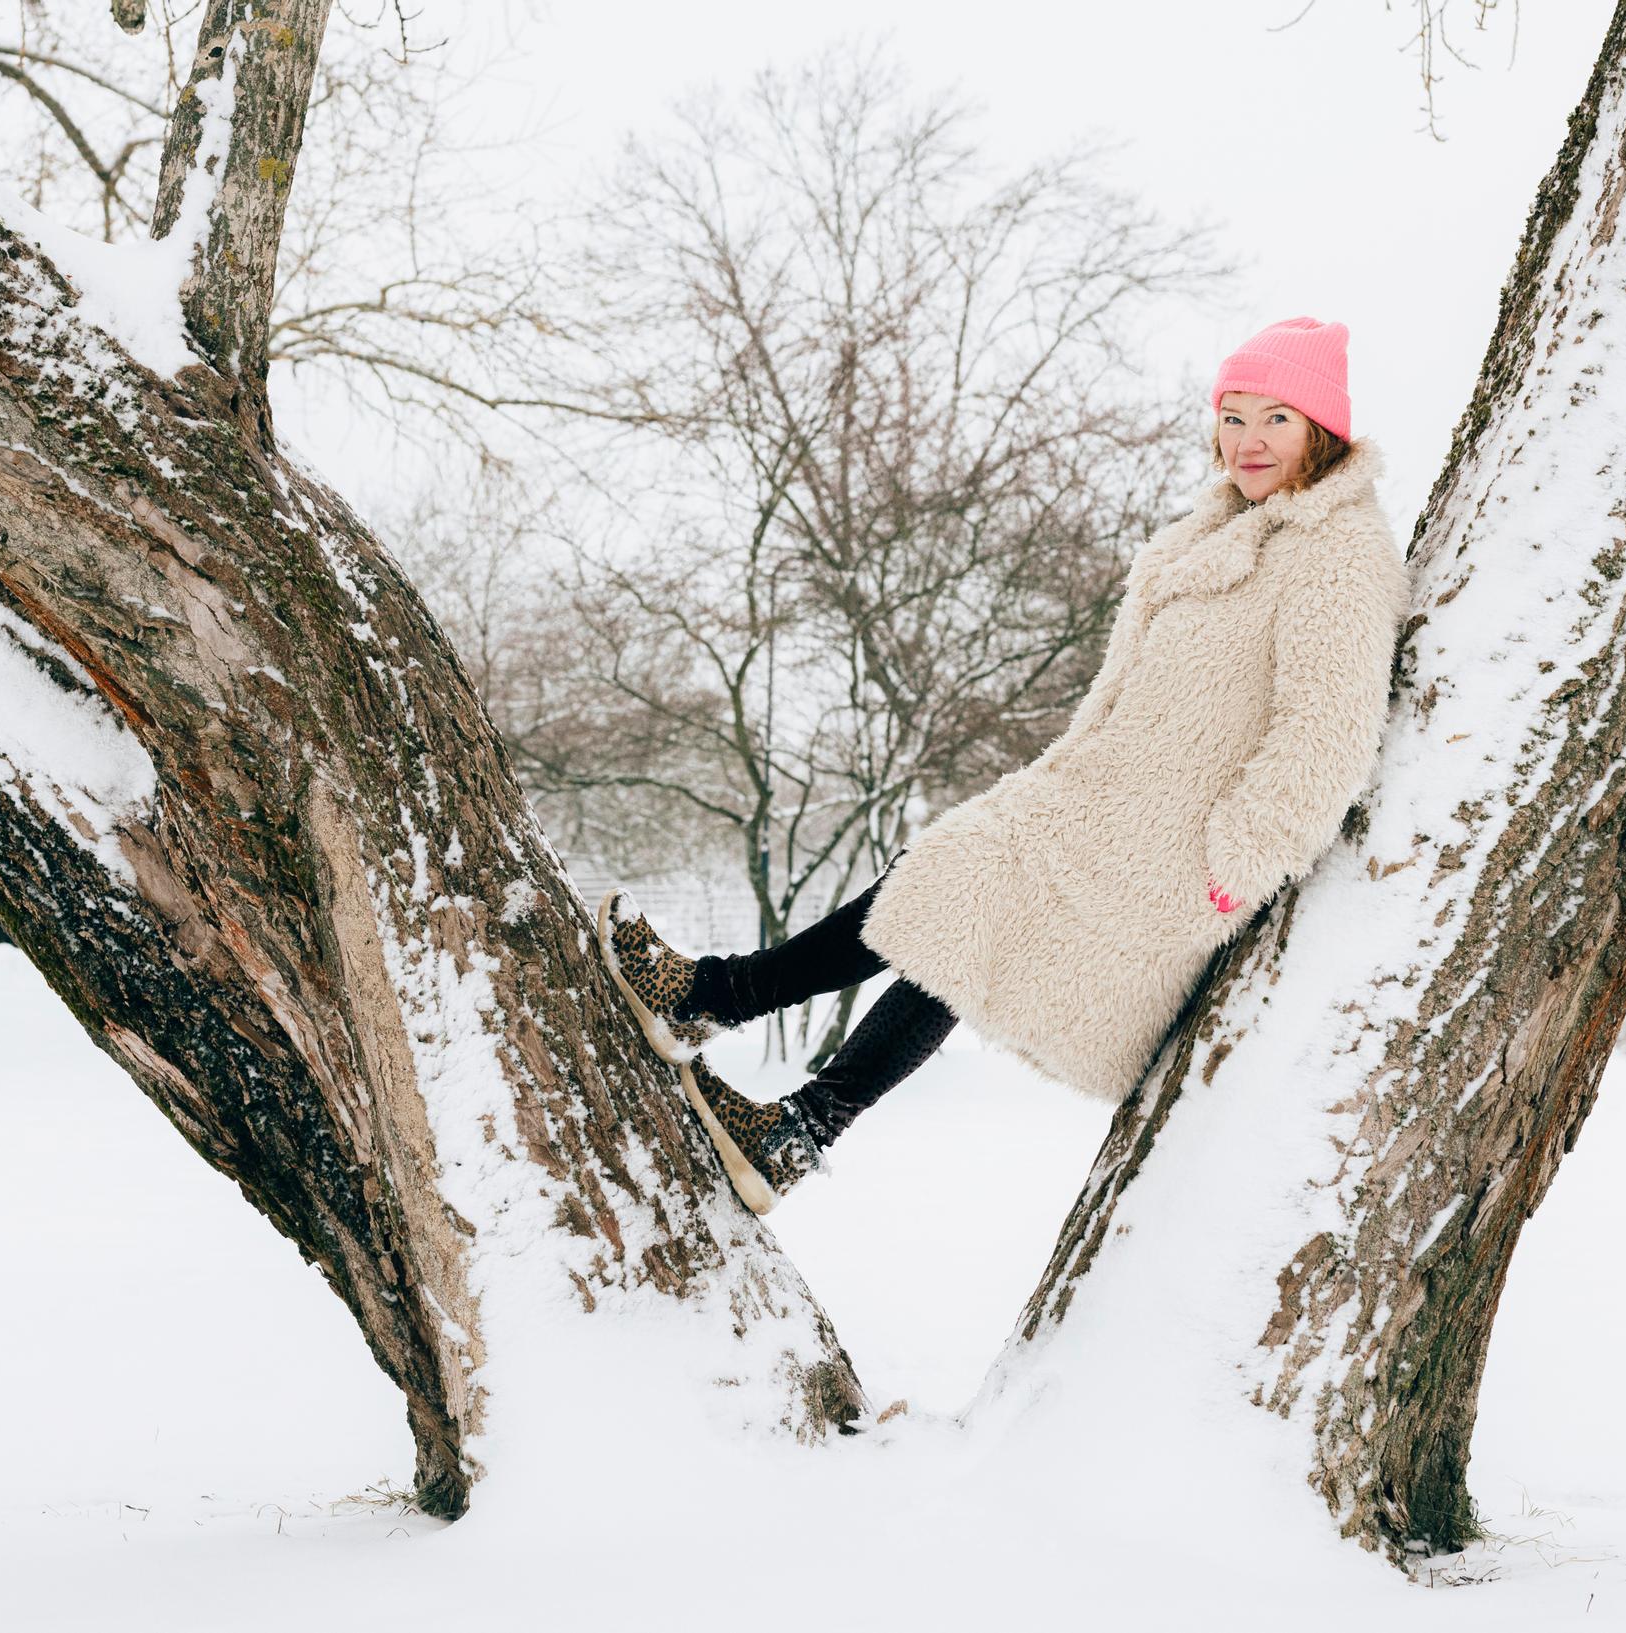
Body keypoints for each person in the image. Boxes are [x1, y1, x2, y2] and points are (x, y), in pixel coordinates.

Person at [597, 315, 1412, 1214]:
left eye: (1276, 419)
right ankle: (736, 1036)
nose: (1248, 442)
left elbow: (1326, 730)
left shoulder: (1337, 552)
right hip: (1090, 806)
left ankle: (757, 1061)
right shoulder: (1217, 529)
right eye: (1233, 416)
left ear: (1321, 431)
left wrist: (1240, 861)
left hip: (1177, 852)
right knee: (945, 890)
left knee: (960, 922)